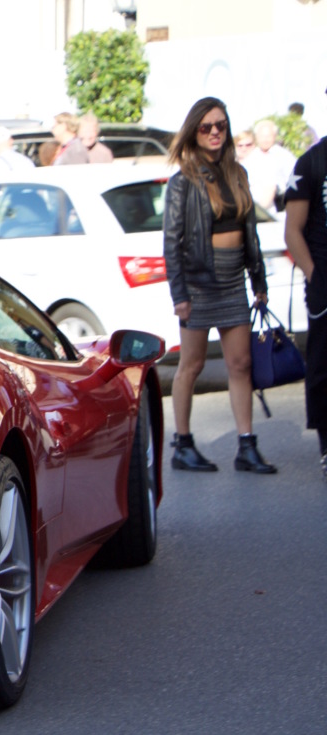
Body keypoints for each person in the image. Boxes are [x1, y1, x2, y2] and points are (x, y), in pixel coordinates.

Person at [164, 96, 276, 474]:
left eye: (221, 126)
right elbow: (172, 241)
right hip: (198, 283)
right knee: (191, 365)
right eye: (206, 127)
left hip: (233, 282)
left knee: (241, 364)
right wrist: (179, 294)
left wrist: (257, 280)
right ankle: (183, 443)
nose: (214, 132)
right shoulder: (182, 182)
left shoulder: (237, 174)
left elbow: (251, 233)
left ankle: (247, 445)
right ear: (194, 132)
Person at [283, 108, 327, 479]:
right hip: (325, 281)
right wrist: (314, 275)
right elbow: (292, 231)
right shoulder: (312, 162)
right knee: (324, 366)